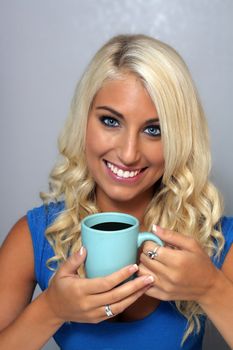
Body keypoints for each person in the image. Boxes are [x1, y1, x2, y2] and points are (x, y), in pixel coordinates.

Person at [0, 34, 232, 350]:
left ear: (179, 139)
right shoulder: (34, 237)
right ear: (84, 121)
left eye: (154, 130)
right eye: (110, 121)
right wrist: (50, 309)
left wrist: (210, 288)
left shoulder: (214, 240)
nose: (128, 153)